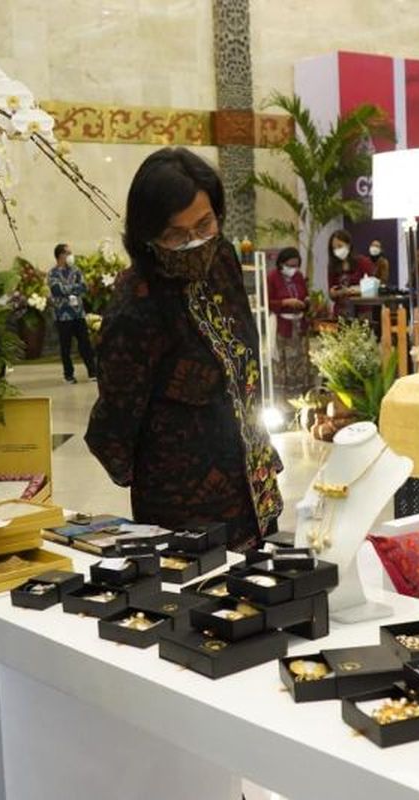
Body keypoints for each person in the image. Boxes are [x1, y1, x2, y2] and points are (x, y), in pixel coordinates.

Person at [86, 147, 283, 550]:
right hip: (181, 502)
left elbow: (244, 353)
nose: (195, 242)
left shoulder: (223, 259)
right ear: (147, 235)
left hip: (252, 480)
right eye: (176, 234)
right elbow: (117, 418)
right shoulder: (136, 303)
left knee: (266, 595)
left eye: (205, 224)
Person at [48, 242, 97, 384]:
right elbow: (56, 289)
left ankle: (92, 372)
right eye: (68, 253)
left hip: (78, 314)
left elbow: (83, 287)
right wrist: (72, 289)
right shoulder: (53, 273)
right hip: (63, 316)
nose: (71, 256)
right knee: (66, 347)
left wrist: (68, 289)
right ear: (60, 255)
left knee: (85, 344)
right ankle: (68, 375)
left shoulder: (76, 270)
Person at [267, 246, 312, 400]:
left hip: (299, 325)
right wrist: (285, 302)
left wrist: (306, 301)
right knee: (284, 360)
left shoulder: (299, 276)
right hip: (282, 326)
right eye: (290, 265)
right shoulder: (272, 277)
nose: (294, 269)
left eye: (296, 265)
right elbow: (267, 302)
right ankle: (284, 396)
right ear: (281, 264)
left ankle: (301, 394)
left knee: (300, 359)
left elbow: (305, 294)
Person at [326, 229, 374, 310]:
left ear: (348, 245)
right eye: (334, 248)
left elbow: (372, 288)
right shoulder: (332, 266)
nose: (337, 250)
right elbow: (331, 294)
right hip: (340, 312)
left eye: (340, 246)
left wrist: (355, 290)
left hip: (361, 311)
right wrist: (336, 293)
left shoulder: (363, 262)